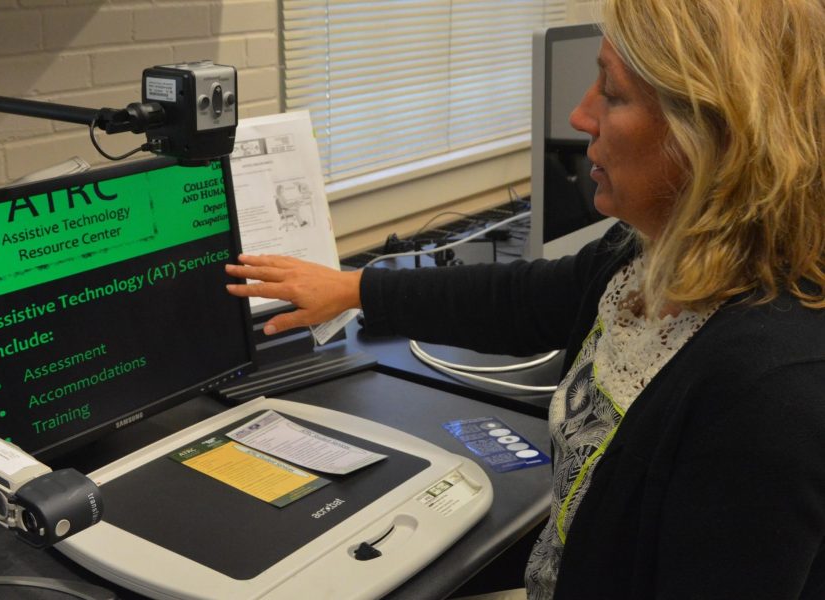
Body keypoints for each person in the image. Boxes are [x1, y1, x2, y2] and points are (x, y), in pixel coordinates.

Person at [226, 0, 825, 597]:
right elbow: (524, 300)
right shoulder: (650, 257)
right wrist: (354, 288)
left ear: (715, 134)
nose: (580, 113)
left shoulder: (770, 393)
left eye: (612, 94)